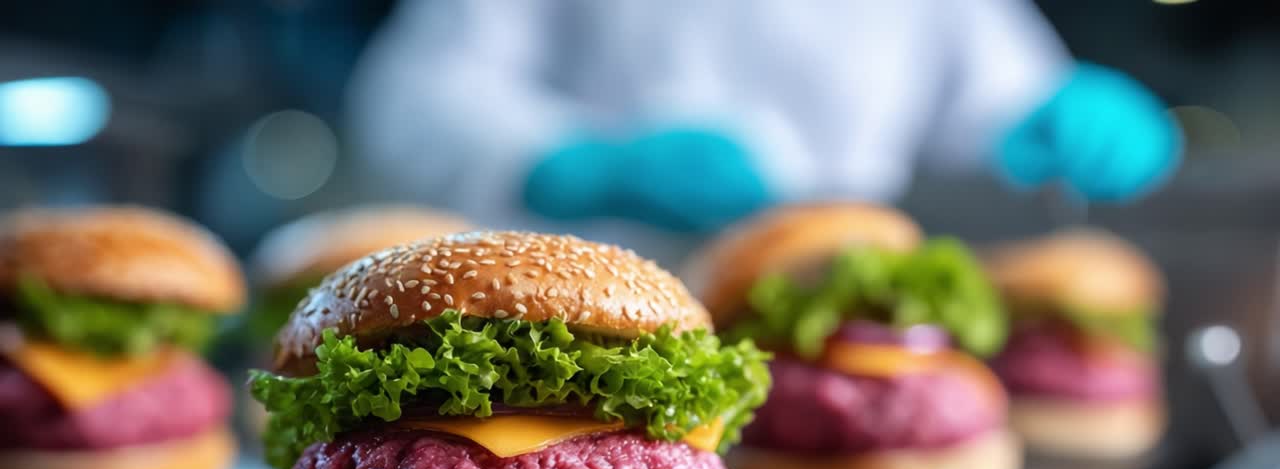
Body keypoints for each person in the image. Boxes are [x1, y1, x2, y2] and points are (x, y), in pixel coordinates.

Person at [347, 0, 1181, 239]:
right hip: (591, 319)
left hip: (827, 307)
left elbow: (1000, 96)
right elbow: (413, 90)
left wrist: (1057, 109)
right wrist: (573, 162)